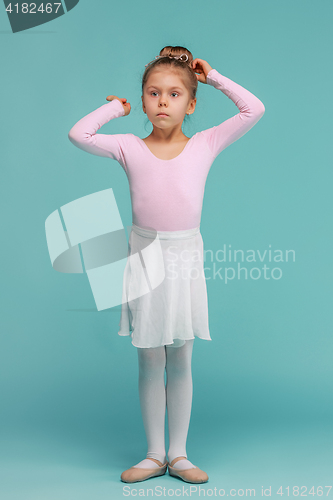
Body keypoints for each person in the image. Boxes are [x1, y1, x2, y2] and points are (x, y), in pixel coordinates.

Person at [68, 45, 265, 484]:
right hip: (144, 258)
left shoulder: (206, 143)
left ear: (190, 104)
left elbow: (254, 109)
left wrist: (213, 76)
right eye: (153, 93)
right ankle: (154, 452)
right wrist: (111, 112)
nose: (162, 101)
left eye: (174, 94)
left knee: (181, 358)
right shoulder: (127, 147)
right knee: (148, 360)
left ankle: (179, 453)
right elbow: (79, 135)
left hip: (184, 260)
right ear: (142, 100)